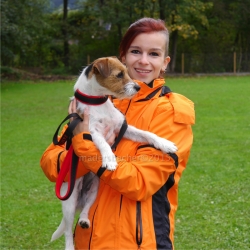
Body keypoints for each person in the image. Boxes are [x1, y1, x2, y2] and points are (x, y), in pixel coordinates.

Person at [40, 17, 195, 250]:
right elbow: (51, 164)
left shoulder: (171, 112)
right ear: (122, 58)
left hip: (139, 243)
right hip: (88, 240)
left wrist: (84, 146)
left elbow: (139, 182)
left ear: (165, 62)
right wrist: (81, 159)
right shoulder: (94, 102)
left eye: (153, 54)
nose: (143, 61)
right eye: (135, 51)